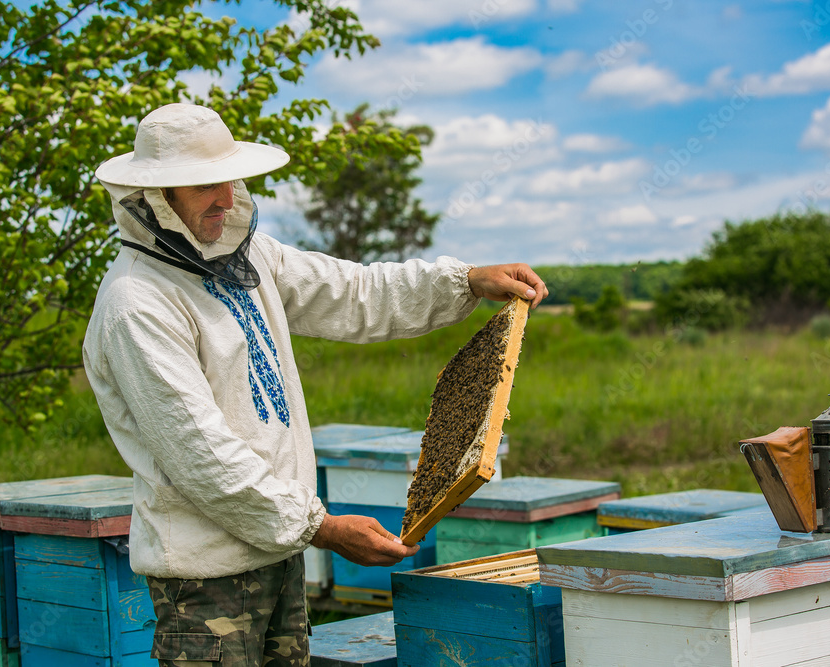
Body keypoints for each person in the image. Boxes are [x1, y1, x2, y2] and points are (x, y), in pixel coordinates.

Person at [83, 103, 547, 666]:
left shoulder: (245, 253)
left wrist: (464, 281)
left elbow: (352, 292)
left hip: (279, 549)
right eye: (206, 185)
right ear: (160, 196)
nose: (227, 198)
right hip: (206, 580)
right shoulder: (138, 304)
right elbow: (201, 455)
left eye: (231, 179)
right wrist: (321, 526)